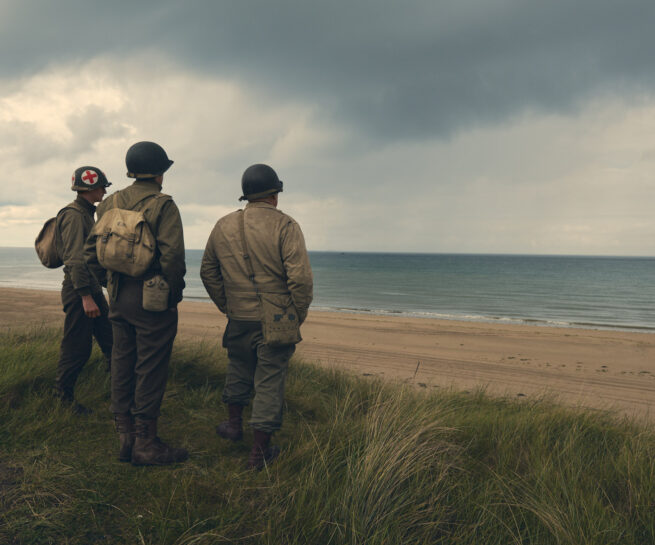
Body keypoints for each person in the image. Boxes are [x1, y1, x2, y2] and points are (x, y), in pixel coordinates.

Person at [200, 163, 313, 470]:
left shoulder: (223, 225)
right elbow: (300, 279)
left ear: (246, 196)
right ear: (274, 195)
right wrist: (296, 314)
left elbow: (207, 271)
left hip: (238, 316)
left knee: (238, 368)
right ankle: (259, 452)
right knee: (269, 381)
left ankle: (234, 426)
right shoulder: (286, 225)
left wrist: (228, 304)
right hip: (276, 320)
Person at [85, 141, 187, 466]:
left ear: (130, 171)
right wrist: (173, 294)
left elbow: (91, 253)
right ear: (160, 172)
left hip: (118, 295)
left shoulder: (109, 204)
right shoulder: (163, 204)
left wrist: (108, 283)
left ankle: (125, 437)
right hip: (152, 297)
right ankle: (146, 443)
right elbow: (172, 258)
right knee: (150, 367)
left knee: (122, 361)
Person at [54, 166, 113, 415]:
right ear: (90, 188)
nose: (105, 190)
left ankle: (120, 396)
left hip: (90, 289)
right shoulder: (75, 215)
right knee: (77, 349)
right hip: (81, 291)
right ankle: (62, 400)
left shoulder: (86, 213)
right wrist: (87, 297)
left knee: (112, 343)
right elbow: (76, 261)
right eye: (102, 186)